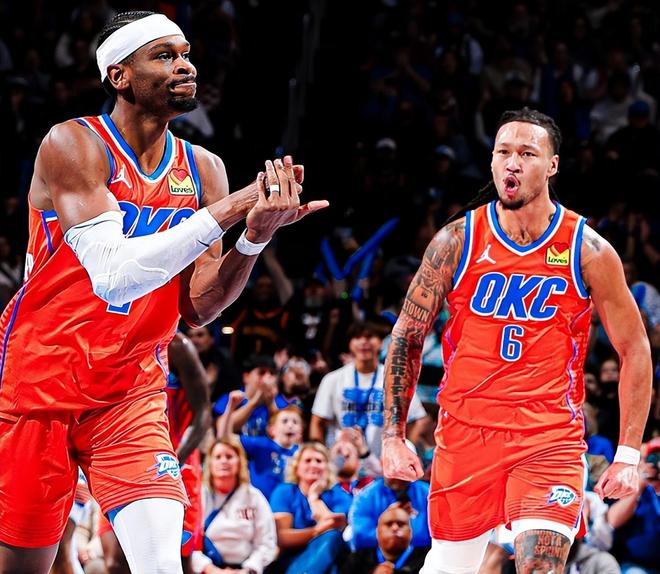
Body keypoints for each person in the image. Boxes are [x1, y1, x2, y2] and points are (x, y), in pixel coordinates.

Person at [0, 10, 327, 574]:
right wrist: (233, 208)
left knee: (159, 563)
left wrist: (253, 238)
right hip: (41, 383)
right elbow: (113, 275)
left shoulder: (205, 168)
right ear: (120, 75)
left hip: (131, 390)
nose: (186, 65)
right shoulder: (74, 144)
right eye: (165, 55)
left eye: (186, 54)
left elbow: (199, 307)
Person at [381, 107, 652, 574]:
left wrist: (628, 453)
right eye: (503, 152)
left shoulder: (587, 249)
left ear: (552, 165)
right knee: (449, 567)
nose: (512, 162)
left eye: (527, 153)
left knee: (540, 568)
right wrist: (393, 435)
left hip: (548, 437)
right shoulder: (456, 241)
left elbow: (635, 348)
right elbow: (407, 335)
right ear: (491, 161)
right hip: (466, 434)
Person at [98, 330, 212, 574]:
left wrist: (175, 459)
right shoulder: (111, 337)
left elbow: (203, 413)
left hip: (172, 459)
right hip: (122, 454)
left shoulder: (179, 347)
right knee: (116, 560)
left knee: (176, 560)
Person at [310, 320, 429, 458]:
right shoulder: (332, 379)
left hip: (383, 463)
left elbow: (418, 420)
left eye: (369, 337)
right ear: (350, 343)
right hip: (342, 462)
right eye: (357, 337)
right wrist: (324, 457)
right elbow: (317, 422)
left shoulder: (396, 381)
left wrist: (403, 453)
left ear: (381, 342)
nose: (363, 342)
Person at [193, 437, 277, 574]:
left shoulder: (254, 497)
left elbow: (267, 543)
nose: (223, 461)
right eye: (218, 457)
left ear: (240, 462)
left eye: (229, 456)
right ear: (209, 463)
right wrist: (212, 570)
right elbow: (188, 543)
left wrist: (248, 570)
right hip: (208, 569)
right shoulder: (199, 495)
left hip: (246, 569)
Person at [269, 442, 352, 574]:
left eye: (319, 461)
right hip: (289, 561)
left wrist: (314, 498)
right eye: (307, 460)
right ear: (296, 468)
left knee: (333, 538)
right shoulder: (285, 491)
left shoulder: (339, 495)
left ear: (327, 468)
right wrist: (315, 531)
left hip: (327, 553)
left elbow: (333, 525)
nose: (313, 465)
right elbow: (282, 537)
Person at [217, 389, 303, 499]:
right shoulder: (262, 445)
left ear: (301, 431)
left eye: (295, 422)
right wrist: (231, 407)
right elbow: (225, 438)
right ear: (271, 429)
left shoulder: (302, 454)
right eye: (285, 421)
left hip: (287, 505)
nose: (290, 425)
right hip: (258, 503)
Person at [339, 505, 428, 574]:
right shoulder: (357, 560)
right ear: (378, 531)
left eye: (401, 524)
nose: (395, 528)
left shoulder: (427, 559)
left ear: (410, 531)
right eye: (389, 524)